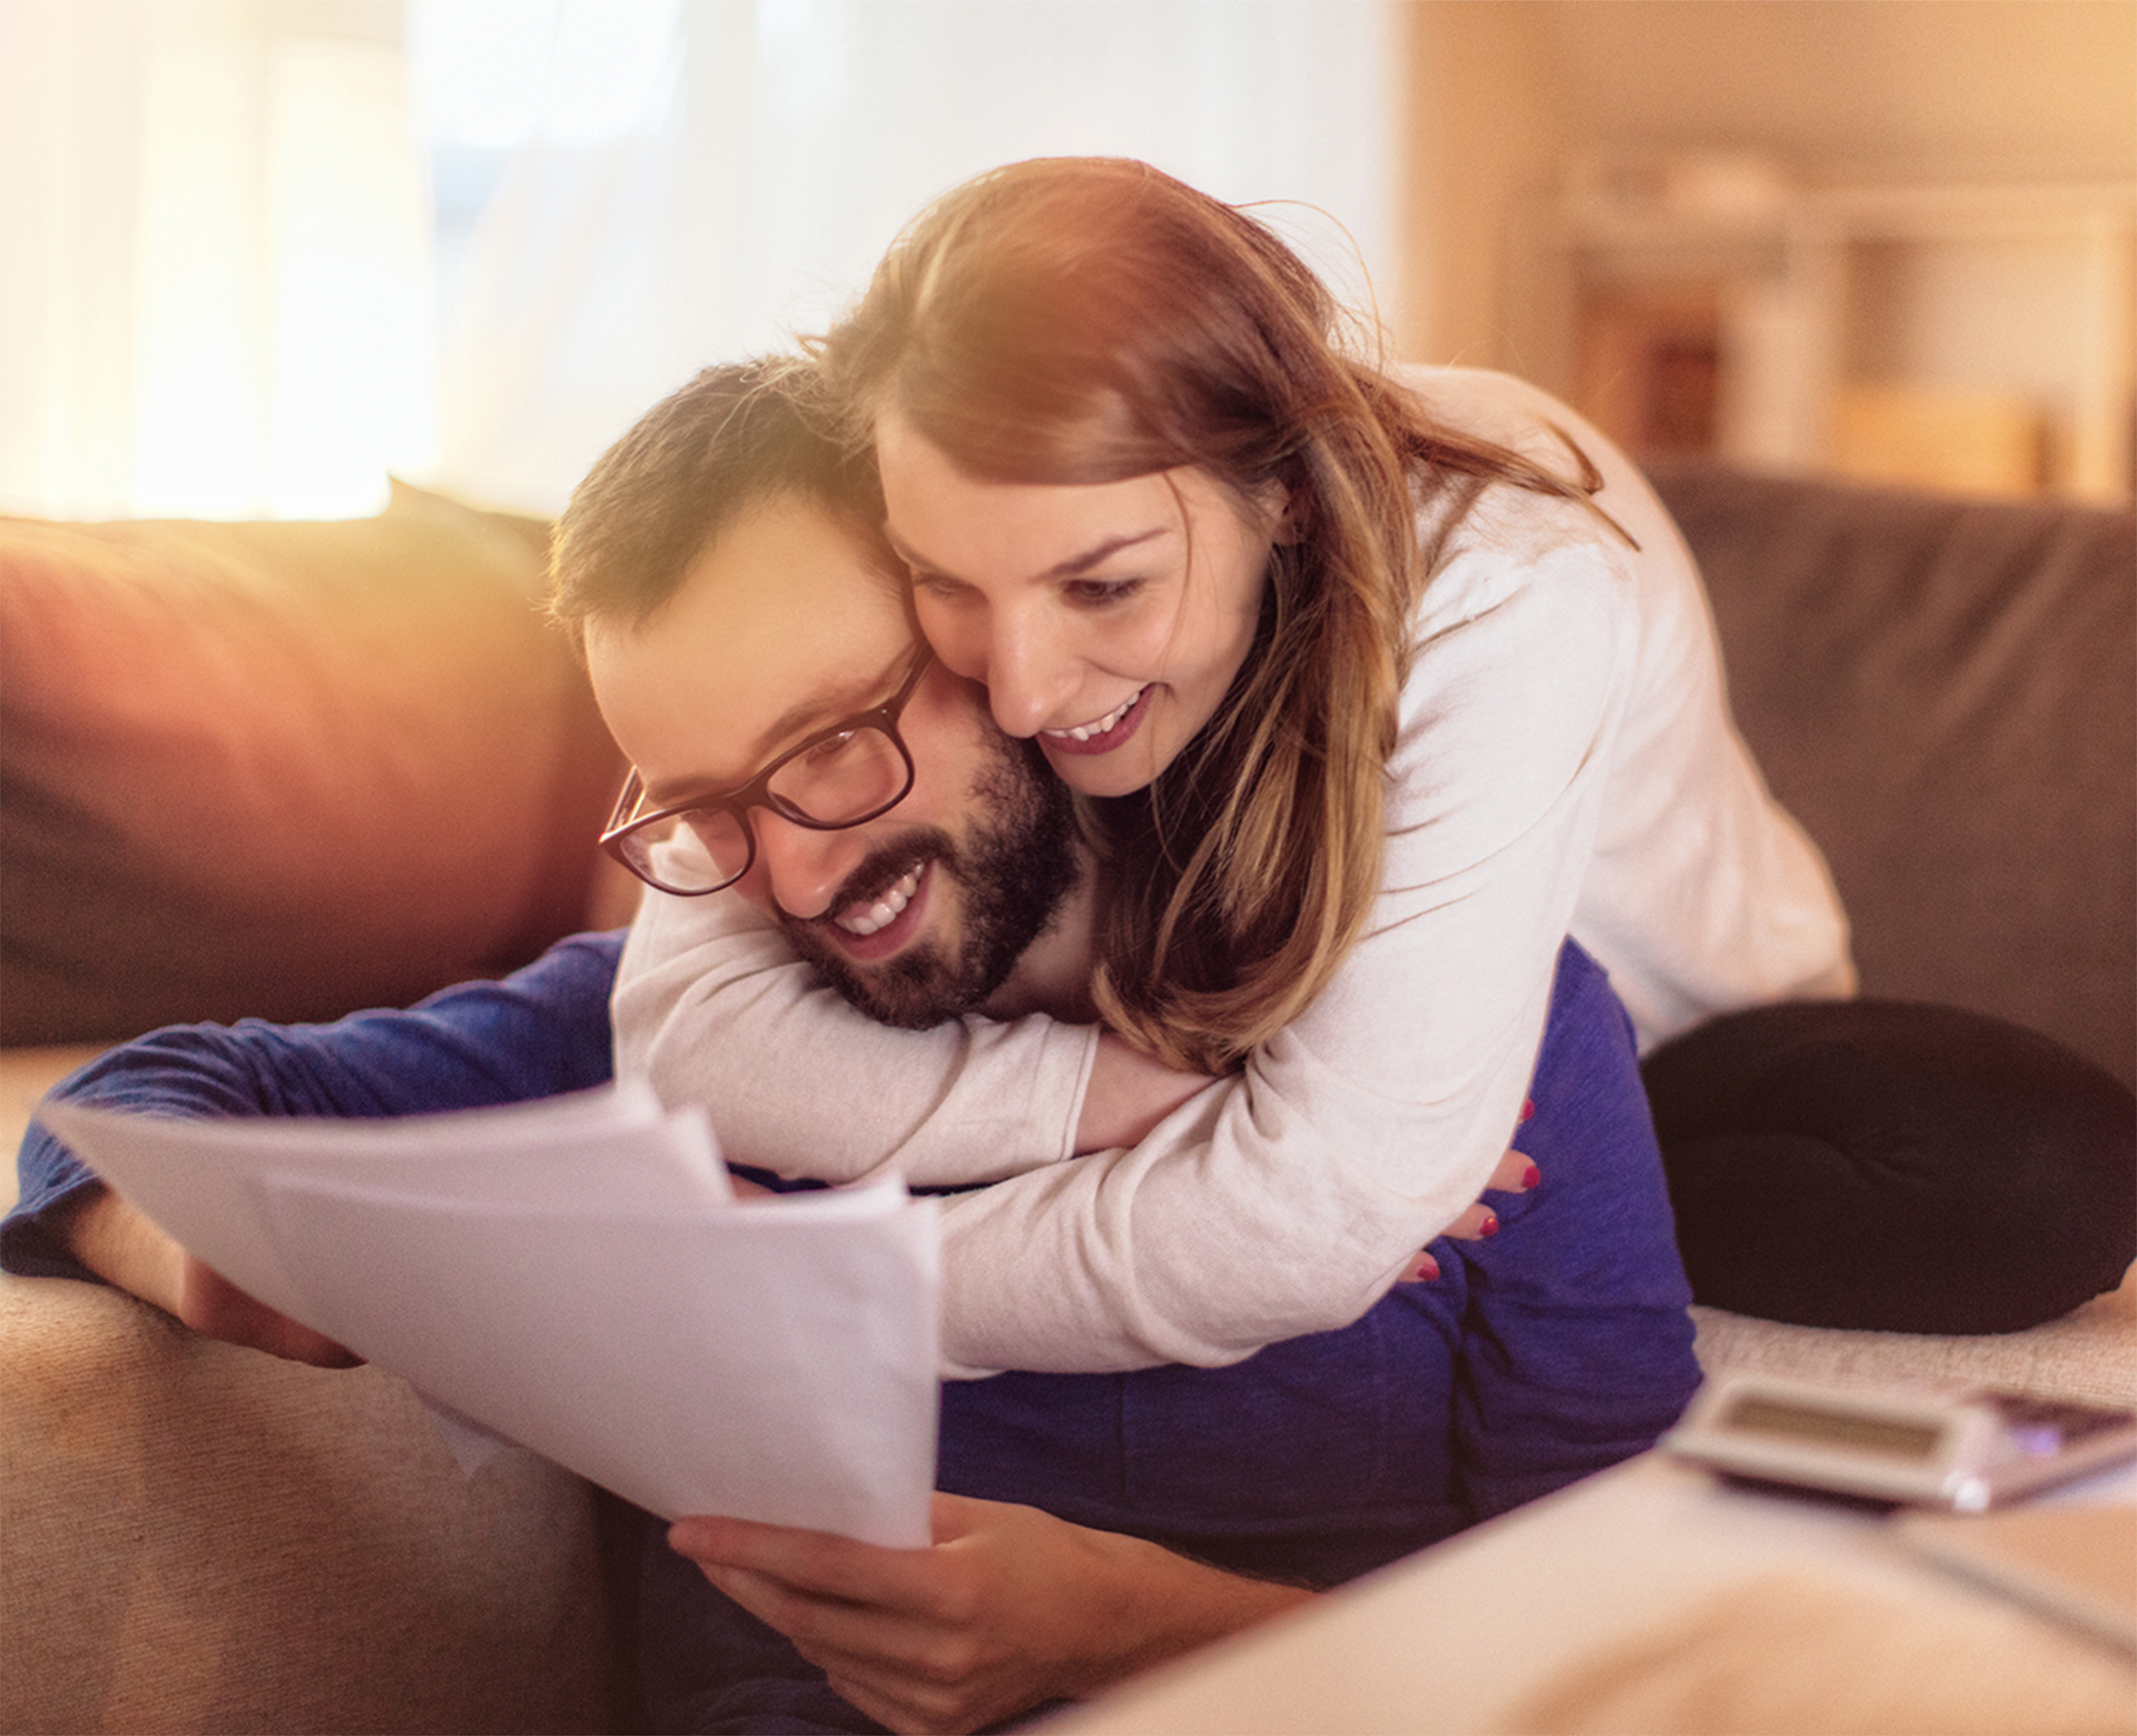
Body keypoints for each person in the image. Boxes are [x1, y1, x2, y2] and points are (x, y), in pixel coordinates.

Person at [9, 360, 1700, 1735]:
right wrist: (216, 1260)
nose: (804, 874)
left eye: (831, 745)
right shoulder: (692, 1032)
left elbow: (1625, 1637)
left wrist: (1124, 1633)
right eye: (707, 807)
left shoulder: (1463, 1048)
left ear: (993, 629)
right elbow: (124, 1110)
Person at [612, 156, 1855, 1379]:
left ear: (1291, 496)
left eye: (1106, 586)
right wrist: (1094, 1098)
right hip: (1260, 1027)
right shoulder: (940, 476)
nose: (1022, 689)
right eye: (944, 584)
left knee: (2002, 1167)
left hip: (1687, 1052)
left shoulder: (1509, 591)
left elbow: (1312, 1216)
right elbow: (687, 1024)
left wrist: (822, 1279)